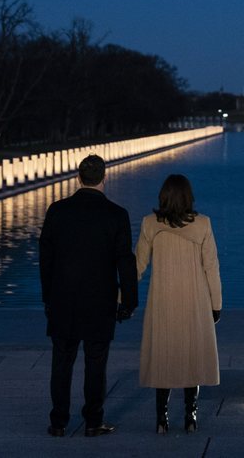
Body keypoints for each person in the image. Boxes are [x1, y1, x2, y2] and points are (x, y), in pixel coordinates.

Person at [39, 154, 138, 438]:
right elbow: (124, 261)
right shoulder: (117, 214)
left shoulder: (57, 211)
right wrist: (129, 301)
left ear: (78, 177)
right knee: (96, 363)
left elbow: (46, 259)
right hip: (100, 299)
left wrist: (48, 296)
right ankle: (93, 421)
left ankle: (58, 421)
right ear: (104, 178)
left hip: (63, 298)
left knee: (61, 362)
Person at [135, 174, 222, 434]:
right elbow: (212, 268)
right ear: (188, 196)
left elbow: (138, 266)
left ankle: (161, 418)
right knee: (190, 356)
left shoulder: (150, 224)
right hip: (194, 300)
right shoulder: (203, 224)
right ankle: (191, 416)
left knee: (164, 356)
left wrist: (121, 297)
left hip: (162, 300)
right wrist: (216, 304)